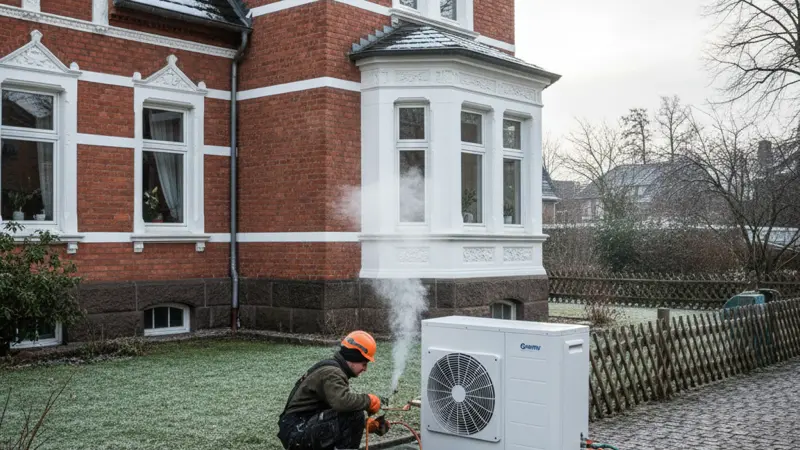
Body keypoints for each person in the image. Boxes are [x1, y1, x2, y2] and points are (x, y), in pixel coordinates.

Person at [277, 330, 391, 449]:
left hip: (299, 426)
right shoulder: (333, 373)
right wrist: (368, 400)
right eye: (364, 363)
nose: (365, 369)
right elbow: (342, 403)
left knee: (354, 413)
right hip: (297, 431)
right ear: (354, 357)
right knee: (355, 413)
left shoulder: (334, 370)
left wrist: (366, 425)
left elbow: (334, 411)